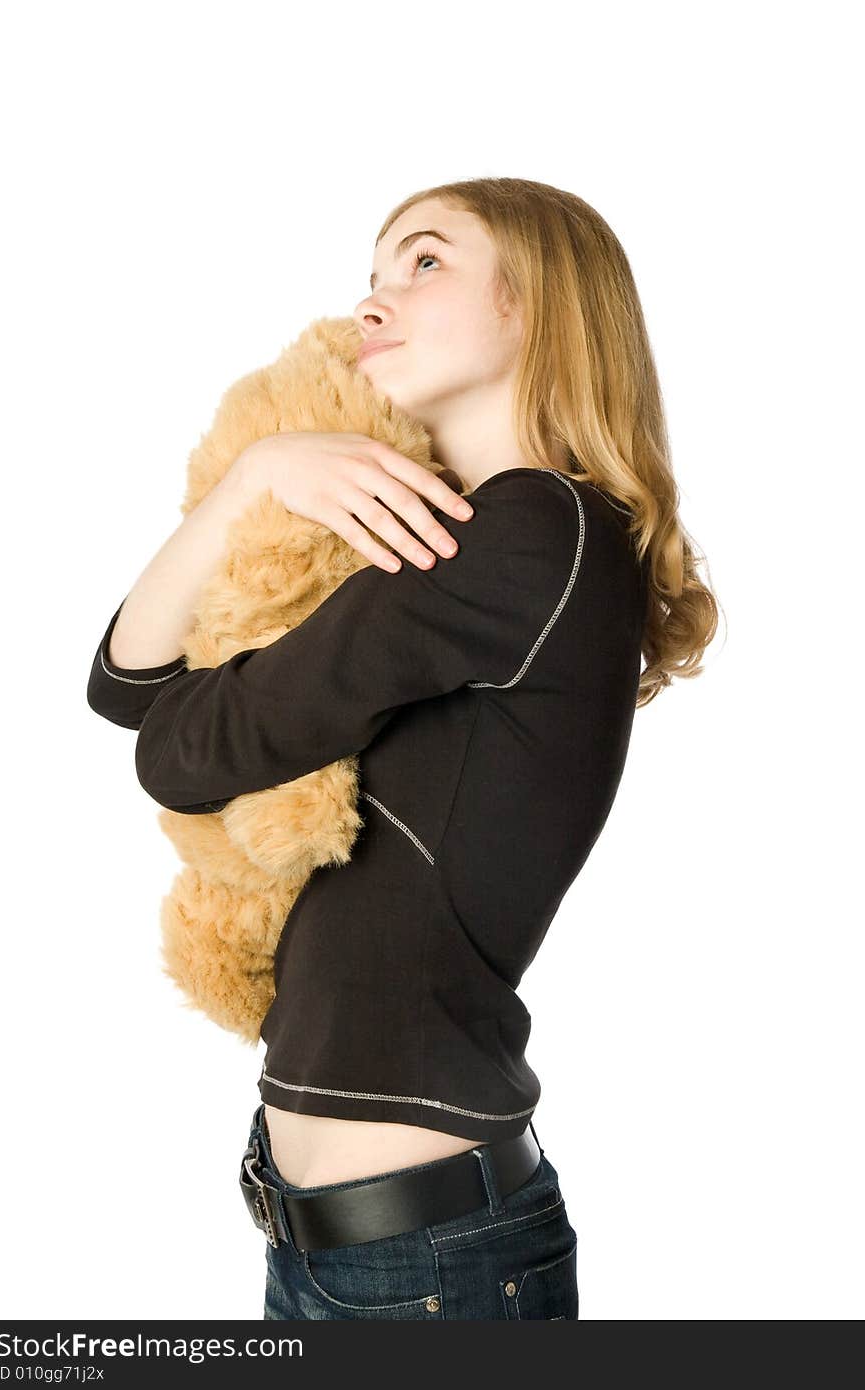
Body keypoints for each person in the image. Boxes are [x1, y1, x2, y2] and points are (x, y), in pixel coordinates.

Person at [86, 177, 717, 1319]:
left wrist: (260, 483)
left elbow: (176, 750)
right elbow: (123, 683)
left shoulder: (536, 530)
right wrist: (251, 480)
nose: (373, 302)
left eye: (423, 264)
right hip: (358, 1246)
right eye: (372, 275)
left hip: (426, 1260)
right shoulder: (455, 531)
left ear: (541, 304)